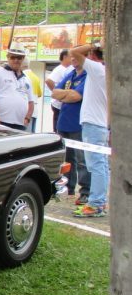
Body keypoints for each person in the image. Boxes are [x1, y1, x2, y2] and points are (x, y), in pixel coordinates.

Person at [69, 42, 108, 218]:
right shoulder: (104, 71)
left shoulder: (97, 68)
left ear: (92, 55)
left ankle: (96, 204)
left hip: (93, 123)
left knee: (96, 165)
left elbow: (74, 52)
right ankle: (99, 201)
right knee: (101, 165)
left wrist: (96, 43)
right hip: (99, 123)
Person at [51, 51, 90, 206]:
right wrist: (68, 94)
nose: (73, 59)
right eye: (71, 57)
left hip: (78, 123)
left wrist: (65, 95)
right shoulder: (70, 74)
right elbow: (54, 93)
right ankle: (68, 188)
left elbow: (77, 96)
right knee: (67, 159)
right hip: (63, 123)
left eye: (76, 56)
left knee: (82, 160)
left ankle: (85, 192)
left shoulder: (88, 75)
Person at [0, 43, 35, 131]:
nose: (16, 60)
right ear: (8, 57)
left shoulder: (26, 78)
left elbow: (31, 101)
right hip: (1, 122)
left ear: (23, 58)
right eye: (13, 57)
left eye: (19, 58)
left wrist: (27, 118)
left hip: (20, 124)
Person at [46, 49, 72, 132]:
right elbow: (48, 81)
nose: (72, 59)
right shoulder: (60, 69)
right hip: (58, 105)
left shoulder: (68, 69)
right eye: (70, 57)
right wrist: (57, 94)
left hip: (63, 104)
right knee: (58, 128)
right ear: (65, 57)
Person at [22, 58, 43, 132]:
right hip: (35, 109)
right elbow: (39, 94)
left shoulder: (23, 77)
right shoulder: (35, 77)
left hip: (25, 111)